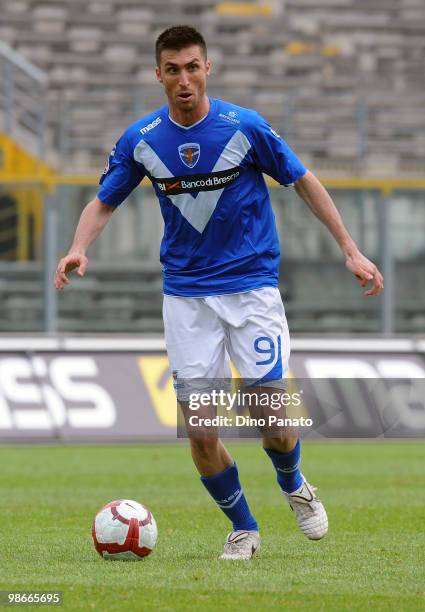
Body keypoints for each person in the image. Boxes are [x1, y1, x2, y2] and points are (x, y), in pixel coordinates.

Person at [54, 25, 384, 560]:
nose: (184, 80)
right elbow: (104, 201)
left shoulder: (244, 127)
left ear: (209, 69)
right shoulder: (142, 139)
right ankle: (244, 529)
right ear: (157, 74)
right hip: (186, 298)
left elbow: (303, 179)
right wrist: (78, 247)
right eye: (173, 69)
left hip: (252, 289)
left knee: (271, 420)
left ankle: (294, 483)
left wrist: (350, 248)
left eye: (192, 67)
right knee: (201, 432)